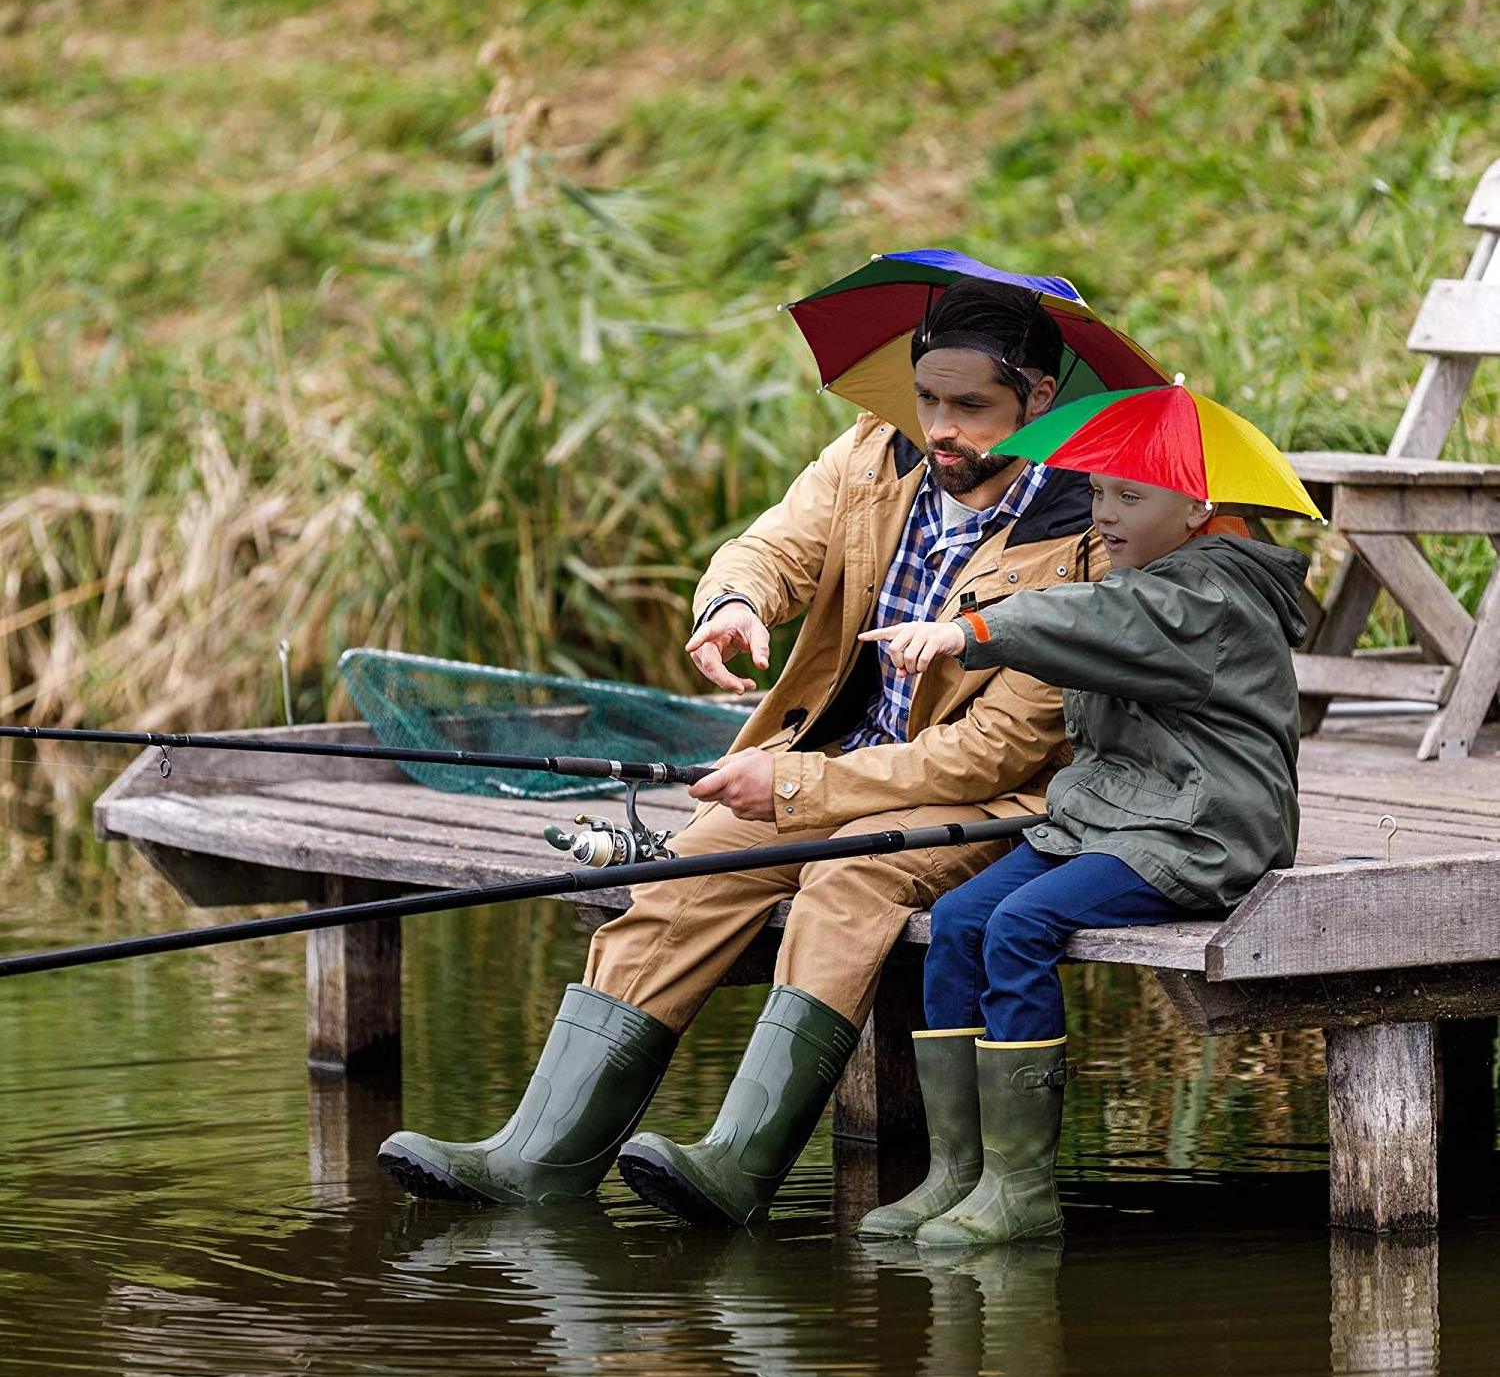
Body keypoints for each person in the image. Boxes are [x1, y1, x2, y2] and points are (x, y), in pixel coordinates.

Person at [377, 277, 1109, 1227]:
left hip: (992, 800)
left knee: (849, 885)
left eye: (971, 406)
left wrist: (797, 784)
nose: (941, 426)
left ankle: (741, 1163)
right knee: (691, 867)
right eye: (929, 398)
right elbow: (770, 547)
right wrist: (732, 604)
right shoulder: (870, 457)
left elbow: (996, 750)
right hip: (832, 767)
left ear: (1038, 399)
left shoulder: (1088, 532)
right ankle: (538, 1155)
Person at [853, 474, 1309, 1245]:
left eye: (1131, 498)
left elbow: (1100, 620)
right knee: (961, 918)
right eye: (1099, 494)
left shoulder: (1207, 592)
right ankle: (957, 1173)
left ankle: (1020, 1188)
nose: (1104, 514)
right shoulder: (1142, 576)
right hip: (1116, 818)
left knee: (1022, 925)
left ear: (1198, 509)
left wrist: (969, 631)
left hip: (1204, 831)